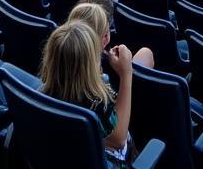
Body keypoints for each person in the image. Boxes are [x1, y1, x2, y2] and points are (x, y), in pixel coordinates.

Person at [39, 21, 135, 159]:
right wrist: (126, 73)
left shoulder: (42, 94)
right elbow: (119, 140)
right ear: (90, 65)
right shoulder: (97, 102)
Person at [67, 0, 154, 70]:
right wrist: (126, 72)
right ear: (105, 38)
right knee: (146, 52)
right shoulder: (98, 70)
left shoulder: (68, 58)